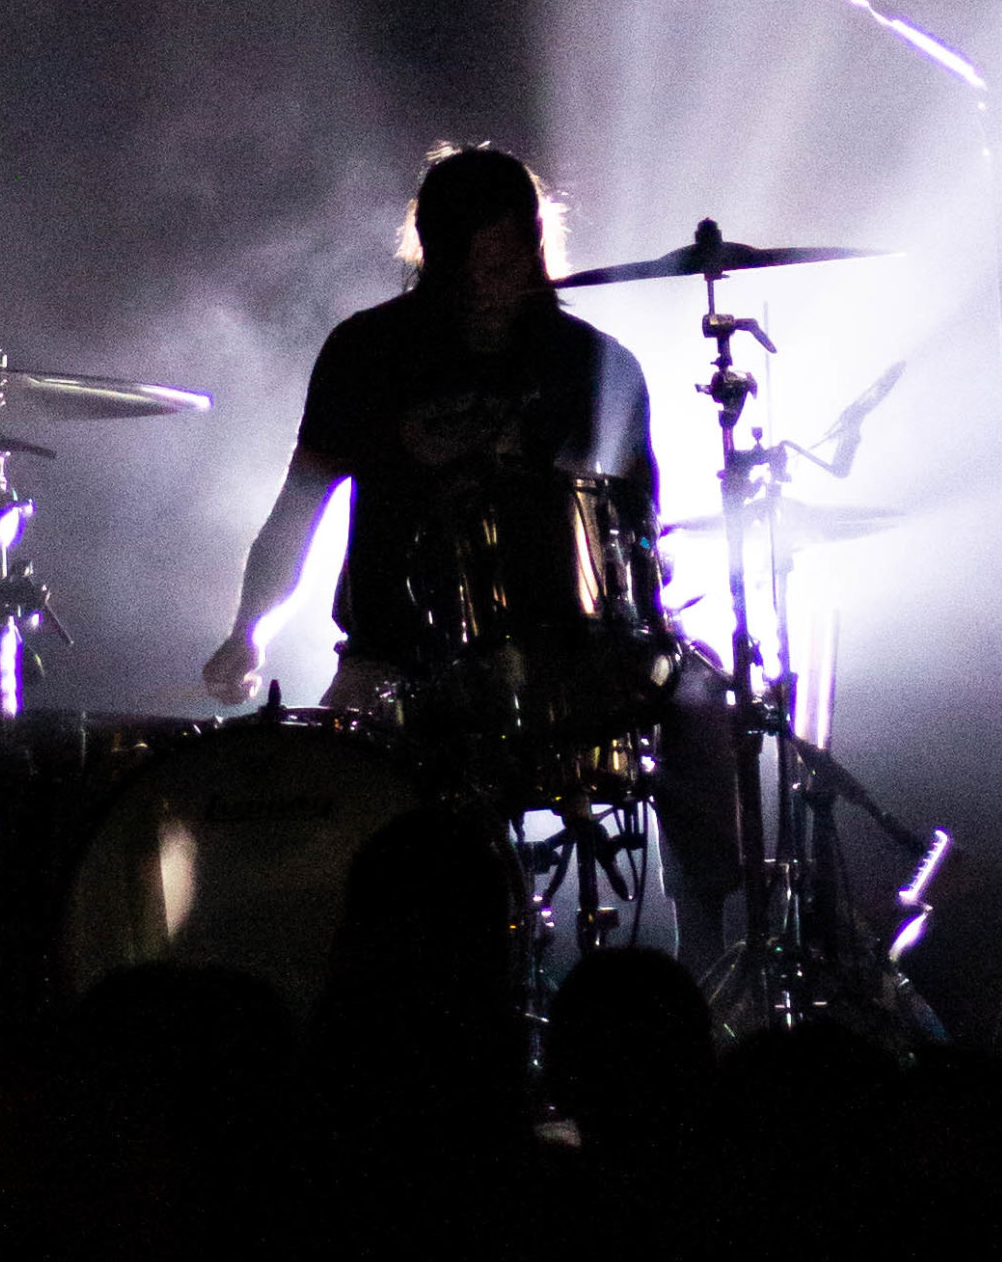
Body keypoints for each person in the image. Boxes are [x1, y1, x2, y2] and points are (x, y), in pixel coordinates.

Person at [202, 146, 743, 970]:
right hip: (397, 664)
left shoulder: (597, 365)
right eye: (481, 261)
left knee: (705, 711)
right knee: (320, 816)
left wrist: (650, 631)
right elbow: (296, 512)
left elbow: (639, 539)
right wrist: (248, 632)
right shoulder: (367, 351)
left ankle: (719, 964)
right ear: (437, 254)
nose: (504, 277)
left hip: (575, 662)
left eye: (518, 254)